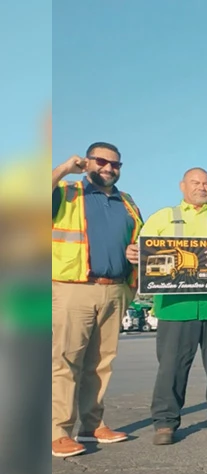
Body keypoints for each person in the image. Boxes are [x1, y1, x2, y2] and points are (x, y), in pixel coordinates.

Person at [126, 168, 207, 445]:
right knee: (171, 367)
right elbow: (142, 251)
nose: (202, 187)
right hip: (175, 306)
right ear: (182, 186)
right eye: (196, 182)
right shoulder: (162, 218)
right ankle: (165, 422)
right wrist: (134, 253)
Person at [51, 142, 143, 457]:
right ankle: (58, 431)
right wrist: (64, 169)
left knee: (101, 363)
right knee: (66, 361)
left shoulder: (127, 202)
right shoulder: (66, 193)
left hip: (115, 288)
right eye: (101, 161)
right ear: (87, 162)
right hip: (74, 286)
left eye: (115, 164)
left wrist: (135, 253)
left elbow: (139, 241)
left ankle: (92, 425)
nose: (108, 168)